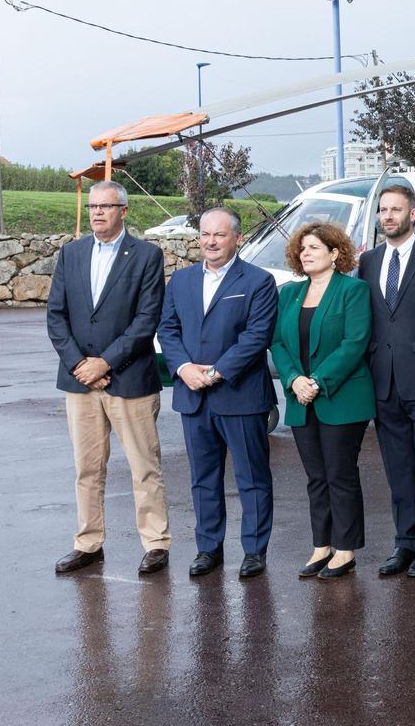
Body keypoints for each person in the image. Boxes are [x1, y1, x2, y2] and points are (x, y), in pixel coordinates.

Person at [46, 180, 172, 575]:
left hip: (130, 380)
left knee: (143, 467)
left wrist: (105, 363)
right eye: (93, 207)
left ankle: (155, 543)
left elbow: (146, 318)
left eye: (106, 206)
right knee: (87, 468)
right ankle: (88, 543)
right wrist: (80, 364)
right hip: (79, 382)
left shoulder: (147, 256)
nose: (97, 212)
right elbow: (56, 315)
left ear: (124, 211)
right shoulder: (71, 253)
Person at [158, 208, 278, 579]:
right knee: (203, 477)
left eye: (220, 235)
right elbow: (168, 329)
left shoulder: (259, 281)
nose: (210, 241)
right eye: (205, 234)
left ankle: (254, 551)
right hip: (193, 396)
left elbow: (256, 337)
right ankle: (208, 548)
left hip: (239, 394)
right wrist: (183, 368)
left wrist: (214, 372)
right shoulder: (181, 280)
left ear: (237, 239)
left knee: (252, 477)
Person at [270, 222, 376, 580]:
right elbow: (279, 344)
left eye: (315, 247)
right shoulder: (289, 294)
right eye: (303, 248)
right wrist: (294, 380)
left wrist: (317, 381)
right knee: (316, 477)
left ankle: (345, 550)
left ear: (335, 253)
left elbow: (354, 342)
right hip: (301, 398)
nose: (306, 253)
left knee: (340, 474)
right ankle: (321, 546)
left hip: (342, 397)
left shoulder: (353, 290)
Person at [357, 185, 415, 579]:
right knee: (397, 468)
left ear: (413, 214)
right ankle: (404, 542)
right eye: (383, 210)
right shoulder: (369, 261)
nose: (388, 216)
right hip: (384, 381)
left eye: (396, 209)